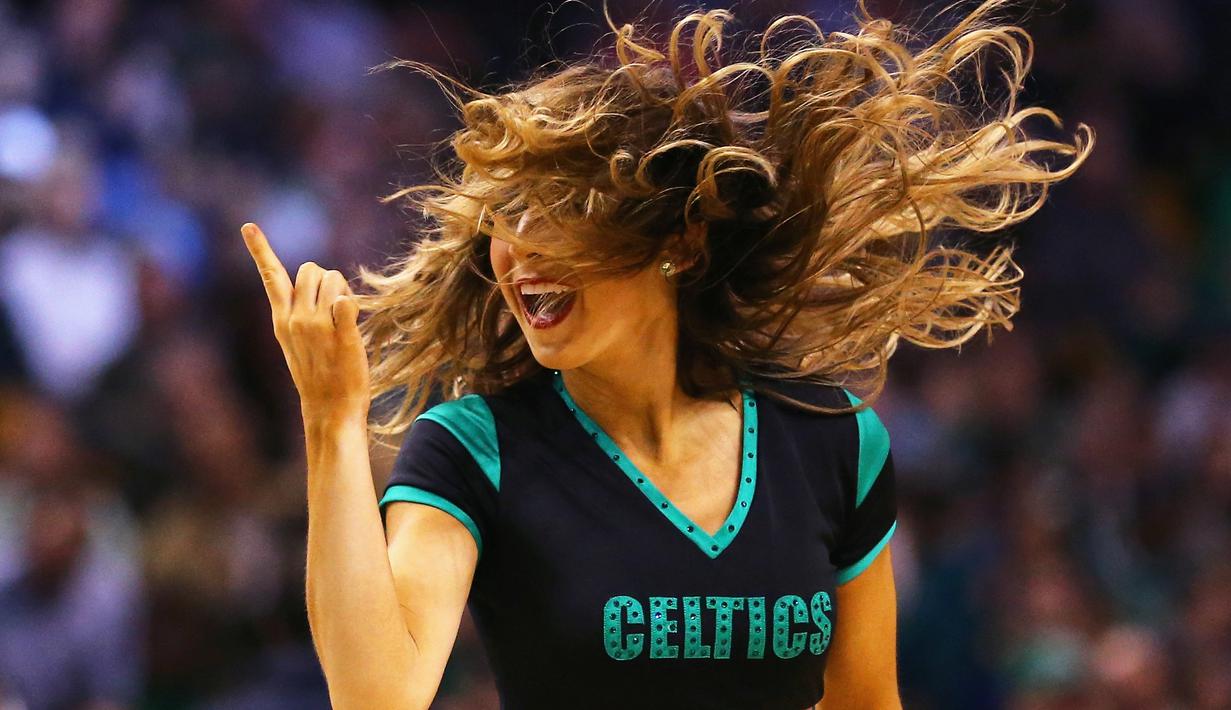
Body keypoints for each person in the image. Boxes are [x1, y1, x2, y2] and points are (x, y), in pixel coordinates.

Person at [241, 0, 1094, 707]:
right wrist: (331, 421)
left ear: (677, 243)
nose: (518, 250)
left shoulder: (830, 440)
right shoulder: (474, 449)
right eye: (506, 215)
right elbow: (376, 696)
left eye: (559, 211)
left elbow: (865, 702)